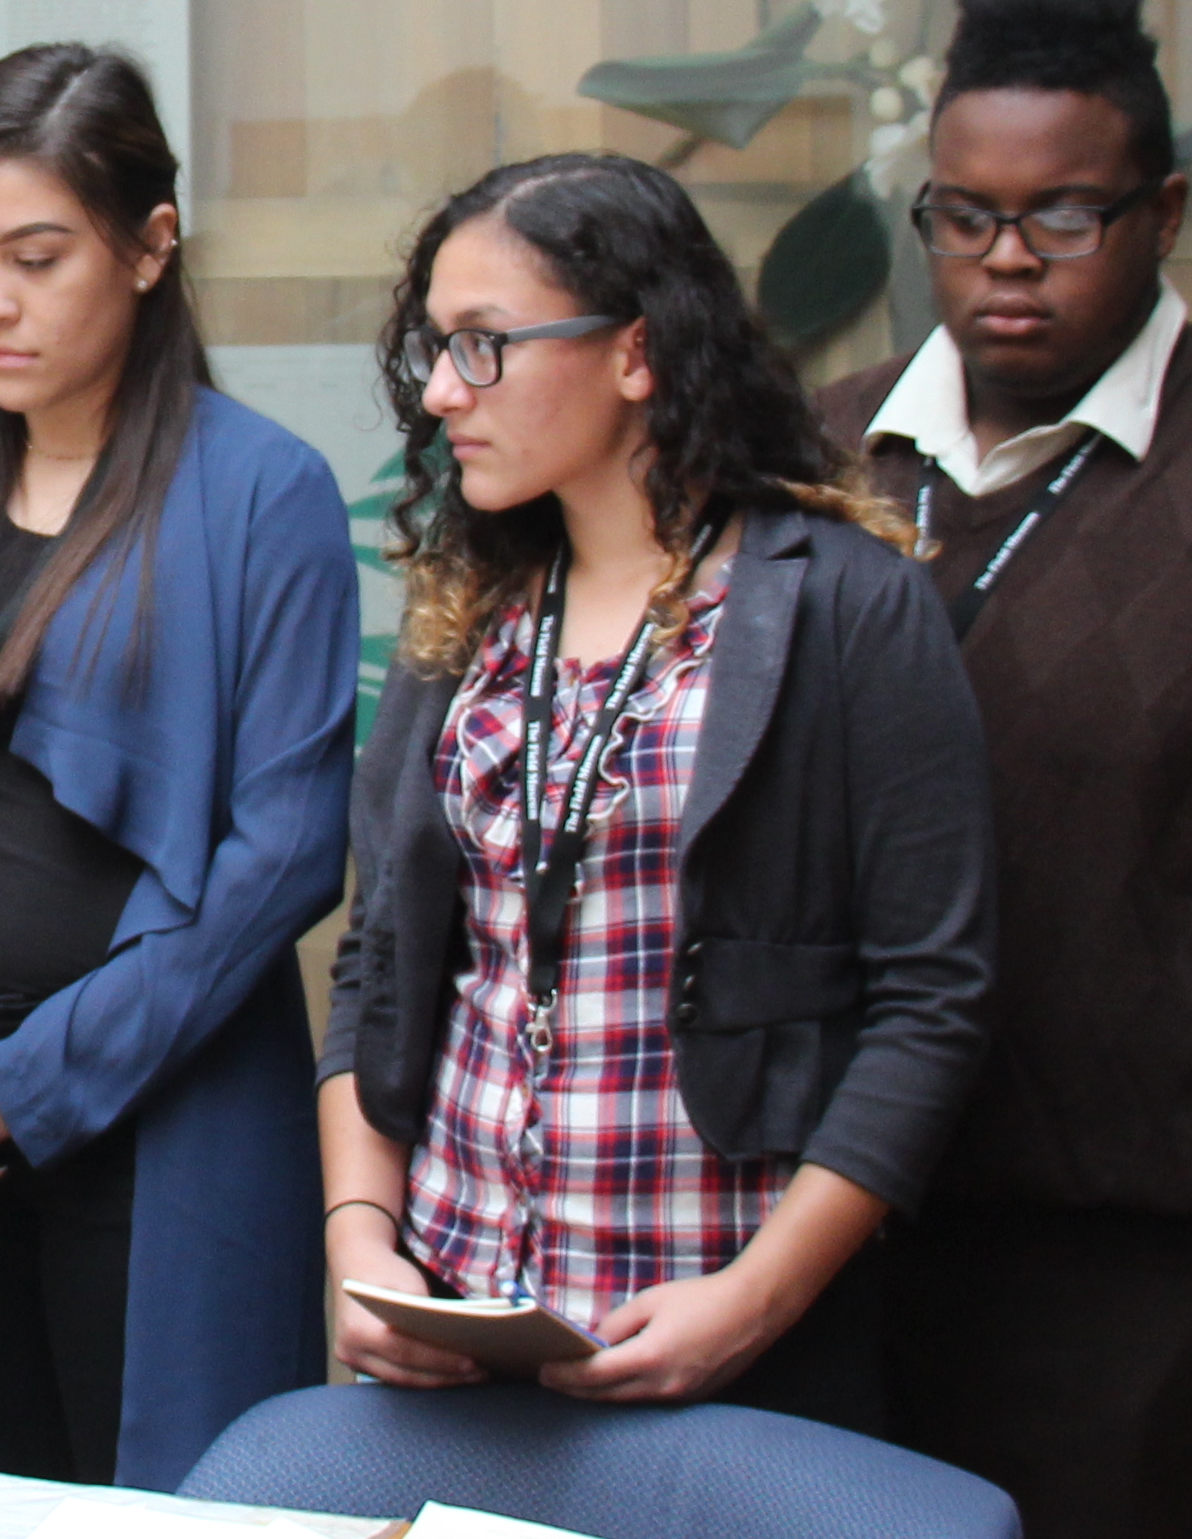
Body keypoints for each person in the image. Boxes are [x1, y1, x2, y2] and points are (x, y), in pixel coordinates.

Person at [318, 154, 992, 1429]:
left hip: (721, 1334)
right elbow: (379, 963)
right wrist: (362, 1245)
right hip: (458, 1321)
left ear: (636, 354)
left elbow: (933, 1003)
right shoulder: (468, 612)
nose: (446, 391)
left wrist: (758, 1300)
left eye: (483, 346)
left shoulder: (844, 605)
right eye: (434, 351)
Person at [0, 46, 356, 1489]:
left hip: (157, 1117)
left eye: (37, 258)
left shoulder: (264, 492)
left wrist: (30, 1082)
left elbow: (282, 857)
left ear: (152, 246)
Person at [820, 0, 1192, 1539]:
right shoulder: (807, 458)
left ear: (1161, 215)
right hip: (811, 1237)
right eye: (960, 218)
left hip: (1135, 1262)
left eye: (1059, 218)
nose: (1002, 264)